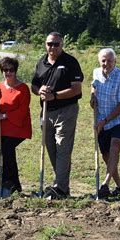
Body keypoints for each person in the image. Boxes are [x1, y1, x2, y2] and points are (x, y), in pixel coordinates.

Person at [31, 32, 84, 199]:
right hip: (46, 111)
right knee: (51, 148)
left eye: (56, 44)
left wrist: (54, 95)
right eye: (49, 44)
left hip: (66, 110)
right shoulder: (41, 61)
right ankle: (61, 184)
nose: (52, 47)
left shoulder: (70, 62)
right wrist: (39, 91)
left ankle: (60, 188)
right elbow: (34, 85)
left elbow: (76, 89)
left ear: (62, 45)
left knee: (62, 148)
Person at [90, 48, 120, 198]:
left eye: (110, 61)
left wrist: (105, 121)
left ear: (115, 61)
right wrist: (92, 96)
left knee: (114, 147)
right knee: (106, 155)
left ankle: (105, 184)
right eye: (103, 60)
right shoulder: (96, 72)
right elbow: (93, 85)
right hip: (102, 120)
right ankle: (119, 186)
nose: (106, 64)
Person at [0, 57, 32, 194]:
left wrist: (5, 116)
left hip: (19, 127)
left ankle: (10, 183)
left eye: (11, 70)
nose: (8, 73)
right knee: (4, 152)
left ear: (15, 71)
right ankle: (9, 184)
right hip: (4, 128)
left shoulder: (23, 88)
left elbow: (23, 110)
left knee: (7, 149)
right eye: (5, 70)